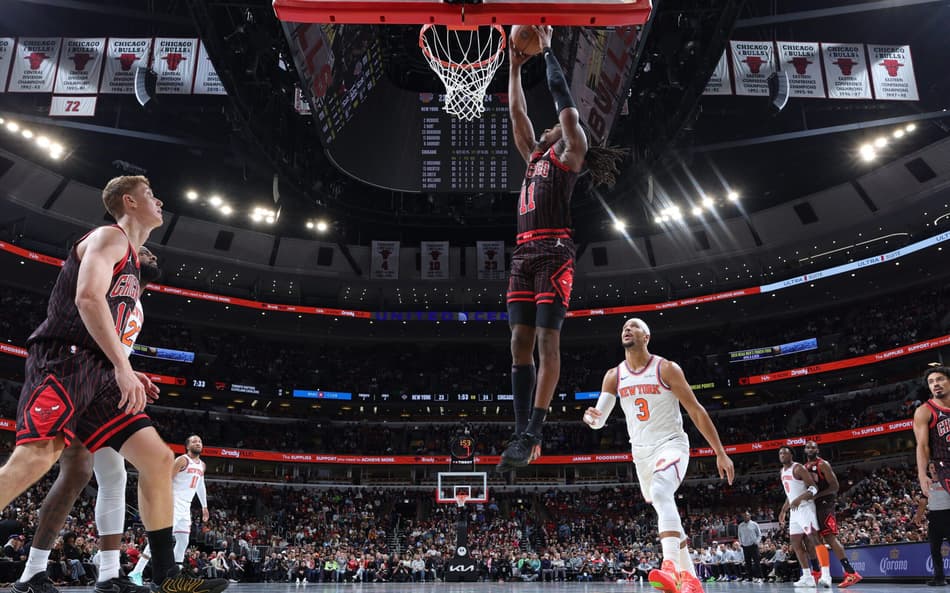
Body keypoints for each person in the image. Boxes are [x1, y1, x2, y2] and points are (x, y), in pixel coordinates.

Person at [0, 175, 227, 593]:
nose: (159, 200)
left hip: (100, 371)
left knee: (158, 460)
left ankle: (167, 578)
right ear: (129, 201)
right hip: (64, 359)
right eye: (150, 195)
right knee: (35, 458)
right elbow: (86, 298)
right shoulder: (109, 237)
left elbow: (109, 330)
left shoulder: (134, 263)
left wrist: (125, 367)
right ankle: (44, 570)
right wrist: (123, 367)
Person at [499, 25, 626, 471]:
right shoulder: (533, 156)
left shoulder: (571, 151)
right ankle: (520, 435)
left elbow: (561, 100)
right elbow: (517, 114)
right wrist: (513, 68)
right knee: (518, 341)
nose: (549, 127)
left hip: (554, 251)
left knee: (547, 342)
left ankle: (536, 427)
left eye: (555, 125)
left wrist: (549, 50)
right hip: (523, 252)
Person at [12, 246, 160, 593]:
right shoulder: (106, 277)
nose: (147, 251)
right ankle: (32, 572)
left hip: (103, 387)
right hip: (73, 376)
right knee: (59, 466)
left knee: (111, 476)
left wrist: (128, 372)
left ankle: (107, 574)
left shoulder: (136, 305)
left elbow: (114, 351)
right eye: (142, 250)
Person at [583, 317, 735, 593]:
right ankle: (691, 580)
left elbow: (696, 410)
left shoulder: (666, 369)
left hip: (671, 444)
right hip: (641, 455)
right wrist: (591, 417)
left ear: (647, 336)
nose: (627, 329)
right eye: (624, 328)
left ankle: (670, 568)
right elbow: (599, 420)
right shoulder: (614, 375)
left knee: (663, 492)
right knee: (667, 511)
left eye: (633, 326)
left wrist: (720, 452)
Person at [129, 434, 210, 585]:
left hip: (185, 508)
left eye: (200, 441)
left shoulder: (202, 465)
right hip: (172, 504)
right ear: (187, 446)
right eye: (194, 441)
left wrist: (204, 506)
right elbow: (166, 479)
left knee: (183, 541)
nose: (198, 443)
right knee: (160, 539)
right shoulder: (182, 460)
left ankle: (173, 575)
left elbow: (200, 485)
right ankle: (136, 572)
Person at [803, 440, 862, 587]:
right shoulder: (804, 467)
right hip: (813, 506)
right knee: (812, 540)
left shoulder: (823, 464)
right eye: (807, 447)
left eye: (813, 447)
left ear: (817, 450)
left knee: (830, 538)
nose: (810, 449)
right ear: (804, 450)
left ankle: (851, 573)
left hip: (825, 504)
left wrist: (817, 496)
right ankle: (817, 572)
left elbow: (835, 486)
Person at [778, 446, 823, 588]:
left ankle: (819, 571)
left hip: (805, 508)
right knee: (796, 543)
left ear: (791, 454)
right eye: (780, 453)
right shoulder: (782, 471)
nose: (782, 455)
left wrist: (800, 499)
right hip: (794, 512)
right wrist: (783, 510)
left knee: (812, 540)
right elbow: (789, 494)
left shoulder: (798, 468)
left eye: (785, 453)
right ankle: (807, 575)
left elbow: (814, 488)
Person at [915, 366, 950, 498]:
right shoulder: (925, 411)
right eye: (931, 382)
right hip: (946, 465)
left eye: (940, 379)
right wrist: (922, 475)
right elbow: (922, 446)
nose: (935, 384)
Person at [914, 461, 949, 586]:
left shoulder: (947, 480)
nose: (934, 469)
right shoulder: (926, 484)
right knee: (934, 550)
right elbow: (923, 502)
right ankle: (939, 578)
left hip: (948, 516)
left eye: (935, 467)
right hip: (934, 519)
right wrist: (918, 516)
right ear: (928, 470)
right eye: (931, 467)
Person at [737, 511, 763, 583]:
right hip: (745, 546)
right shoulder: (740, 525)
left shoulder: (754, 524)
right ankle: (750, 577)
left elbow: (759, 535)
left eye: (747, 515)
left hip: (753, 546)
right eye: (744, 516)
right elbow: (739, 535)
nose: (745, 517)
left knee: (756, 562)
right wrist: (741, 543)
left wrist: (756, 542)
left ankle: (759, 577)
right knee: (747, 563)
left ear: (750, 516)